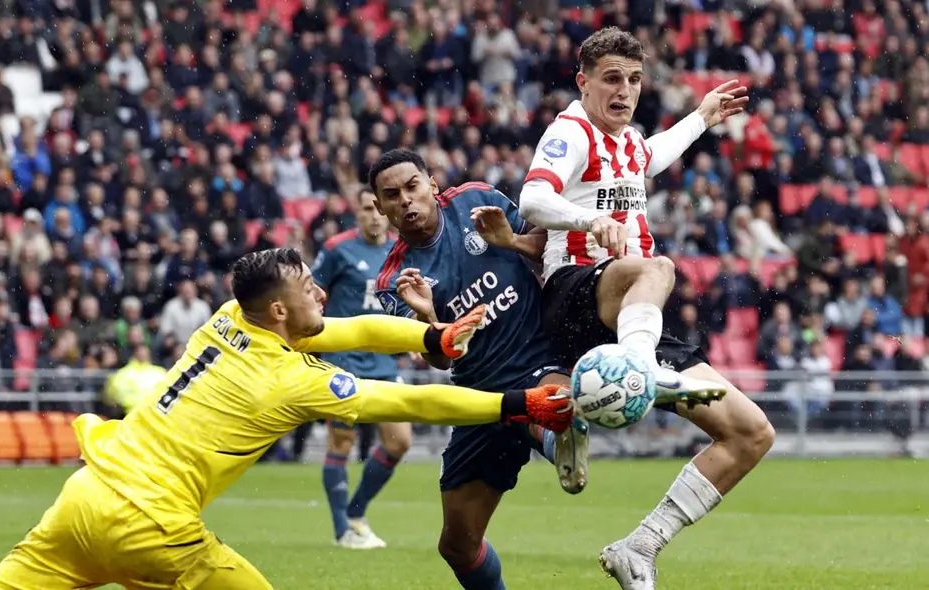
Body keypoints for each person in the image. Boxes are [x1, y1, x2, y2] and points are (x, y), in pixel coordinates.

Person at [0, 248, 573, 590]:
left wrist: (432, 336)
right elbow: (407, 401)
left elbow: (356, 328)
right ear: (282, 309)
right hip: (152, 526)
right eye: (311, 289)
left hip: (85, 495)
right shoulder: (292, 382)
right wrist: (516, 403)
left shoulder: (230, 316)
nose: (322, 296)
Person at [515, 27, 775, 590]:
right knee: (659, 266)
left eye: (634, 80)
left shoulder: (628, 140)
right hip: (576, 292)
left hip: (632, 308)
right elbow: (532, 197)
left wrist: (702, 116)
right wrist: (589, 220)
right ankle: (638, 372)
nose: (625, 90)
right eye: (612, 78)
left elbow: (652, 156)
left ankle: (639, 547)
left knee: (750, 432)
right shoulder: (571, 131)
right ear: (583, 82)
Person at [369, 149, 591, 590]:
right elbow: (439, 359)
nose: (406, 201)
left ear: (432, 184)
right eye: (392, 196)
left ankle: (559, 437)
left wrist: (511, 241)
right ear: (380, 208)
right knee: (457, 547)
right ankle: (557, 431)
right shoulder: (395, 280)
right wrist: (432, 320)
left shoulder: (476, 200)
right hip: (478, 399)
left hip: (538, 358)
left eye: (413, 187)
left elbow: (548, 246)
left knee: (549, 402)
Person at [311, 188, 411, 549]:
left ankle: (356, 511)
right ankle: (342, 531)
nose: (373, 215)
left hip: (383, 359)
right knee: (342, 441)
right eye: (366, 209)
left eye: (377, 209)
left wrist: (414, 338)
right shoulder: (338, 249)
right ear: (357, 211)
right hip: (344, 358)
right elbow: (313, 294)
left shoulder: (399, 251)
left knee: (400, 441)